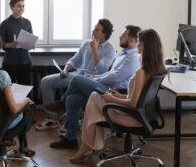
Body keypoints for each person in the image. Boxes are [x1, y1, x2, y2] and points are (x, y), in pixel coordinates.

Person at [69, 29, 167, 164]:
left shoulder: (141, 72)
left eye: (139, 42)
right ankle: (89, 147)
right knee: (96, 104)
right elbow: (137, 98)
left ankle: (88, 147)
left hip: (131, 117)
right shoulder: (157, 69)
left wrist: (112, 99)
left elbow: (133, 103)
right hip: (142, 116)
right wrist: (119, 95)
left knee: (94, 97)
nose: (137, 45)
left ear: (145, 45)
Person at [48, 25, 142, 149]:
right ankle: (70, 138)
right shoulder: (123, 54)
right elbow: (110, 73)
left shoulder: (133, 58)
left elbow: (115, 77)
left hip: (114, 93)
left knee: (76, 79)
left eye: (123, 35)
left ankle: (61, 102)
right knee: (72, 100)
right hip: (106, 86)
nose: (120, 36)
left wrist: (96, 78)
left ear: (132, 41)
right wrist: (95, 77)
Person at [35, 19, 116, 131]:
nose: (93, 31)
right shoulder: (86, 43)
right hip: (76, 74)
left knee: (77, 85)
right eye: (94, 28)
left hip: (91, 80)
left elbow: (102, 68)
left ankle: (68, 112)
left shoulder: (110, 49)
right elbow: (75, 60)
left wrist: (94, 49)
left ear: (104, 34)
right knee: (45, 81)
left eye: (97, 30)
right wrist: (65, 70)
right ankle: (51, 118)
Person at [0, 0, 33, 85]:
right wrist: (10, 45)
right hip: (10, 62)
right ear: (11, 7)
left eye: (23, 6)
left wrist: (32, 45)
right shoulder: (5, 23)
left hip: (25, 60)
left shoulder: (27, 22)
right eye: (19, 6)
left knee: (25, 88)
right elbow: (0, 44)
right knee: (10, 88)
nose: (22, 9)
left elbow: (31, 39)